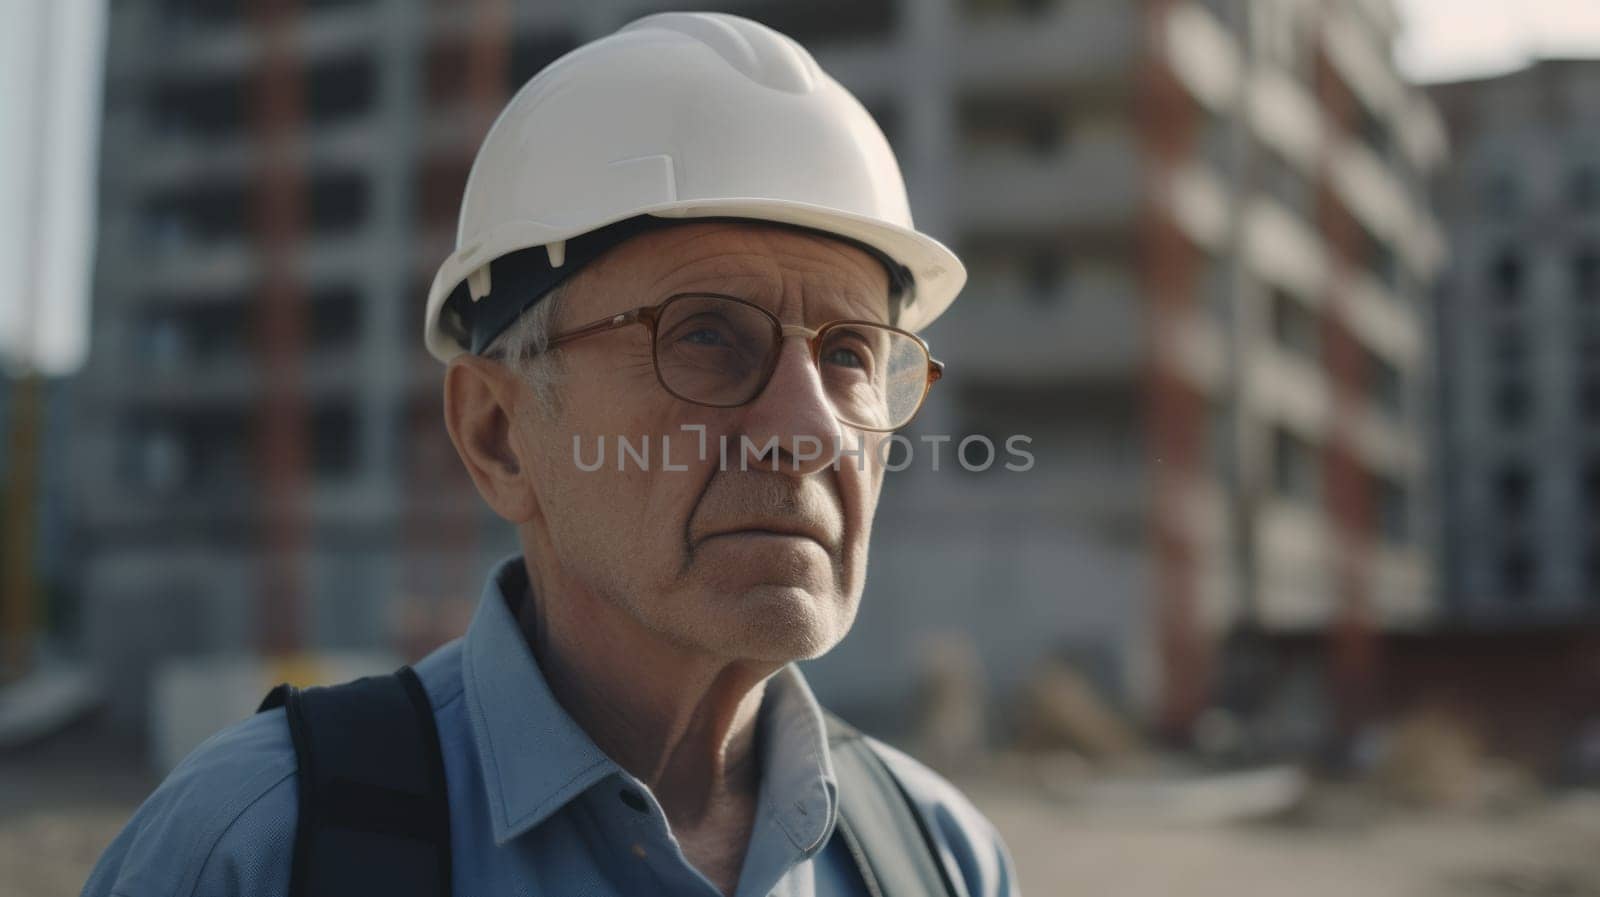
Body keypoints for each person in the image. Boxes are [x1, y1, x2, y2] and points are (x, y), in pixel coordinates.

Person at [83, 11, 1019, 897]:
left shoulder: (938, 857)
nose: (812, 431)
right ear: (497, 434)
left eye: (851, 354)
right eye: (704, 336)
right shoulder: (258, 847)